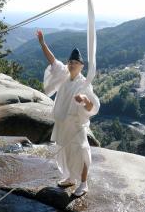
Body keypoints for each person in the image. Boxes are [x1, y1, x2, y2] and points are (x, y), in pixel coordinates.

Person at [37, 29, 100, 197]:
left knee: (81, 151)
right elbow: (52, 61)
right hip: (62, 123)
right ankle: (71, 178)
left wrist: (84, 100)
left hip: (76, 125)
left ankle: (84, 184)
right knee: (65, 151)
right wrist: (43, 43)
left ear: (81, 66)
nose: (72, 64)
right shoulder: (64, 74)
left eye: (75, 63)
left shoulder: (84, 83)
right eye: (70, 62)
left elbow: (92, 106)